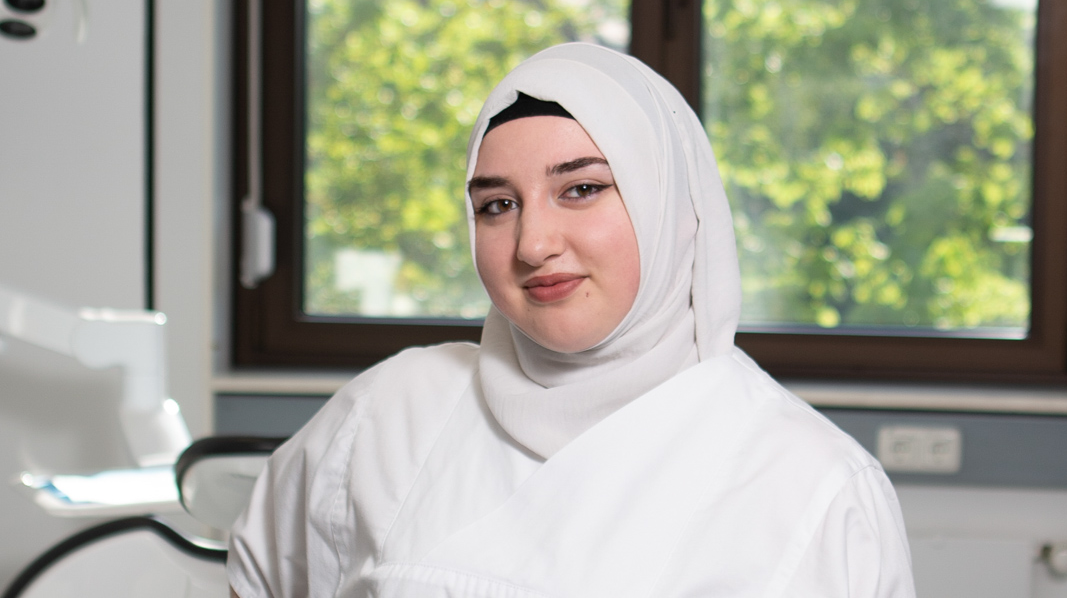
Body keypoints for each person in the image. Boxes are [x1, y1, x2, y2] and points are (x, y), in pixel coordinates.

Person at [227, 43, 916, 597]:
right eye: (497, 205)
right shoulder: (392, 409)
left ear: (672, 206)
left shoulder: (810, 483)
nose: (532, 244)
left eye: (581, 188)